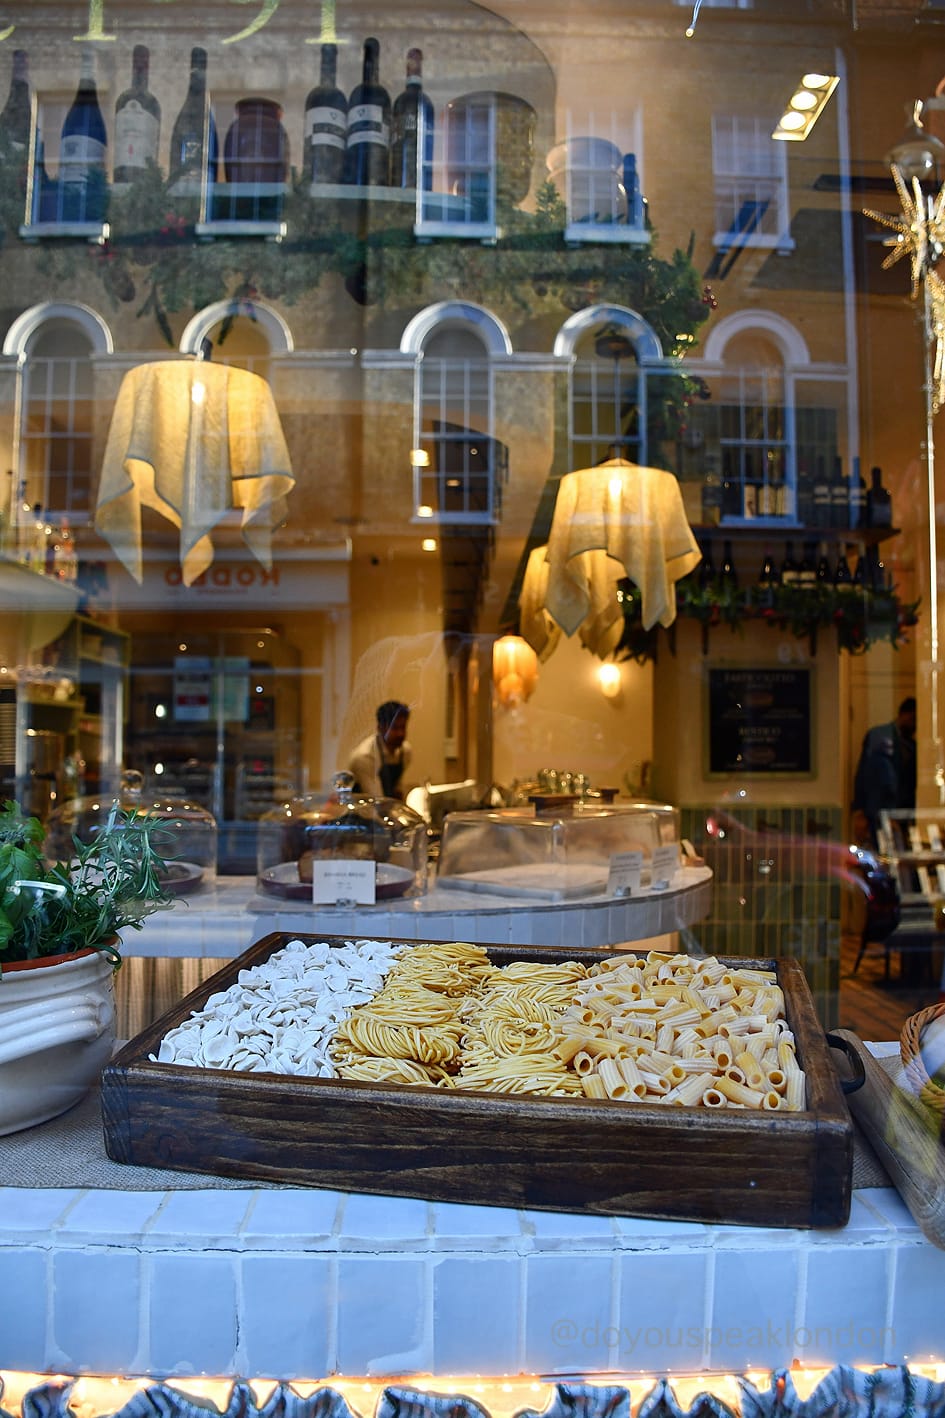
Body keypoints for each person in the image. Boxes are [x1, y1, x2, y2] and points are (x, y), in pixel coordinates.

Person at [852, 695, 917, 847]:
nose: (915, 725)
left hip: (901, 813)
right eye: (913, 719)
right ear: (904, 714)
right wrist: (860, 811)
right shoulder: (882, 737)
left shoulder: (911, 745)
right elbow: (875, 777)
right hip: (881, 812)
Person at [347, 700, 412, 800]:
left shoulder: (405, 752)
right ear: (380, 727)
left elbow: (397, 788)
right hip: (362, 808)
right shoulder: (365, 757)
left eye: (402, 727)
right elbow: (377, 800)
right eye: (394, 728)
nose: (400, 733)